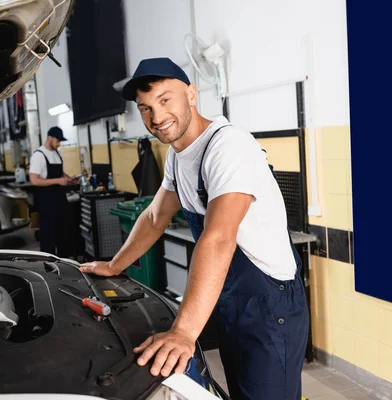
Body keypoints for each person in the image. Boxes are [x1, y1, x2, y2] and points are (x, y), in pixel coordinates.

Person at [79, 57, 309, 400]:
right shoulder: (179, 154)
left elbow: (218, 239)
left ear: (191, 94)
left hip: (269, 306)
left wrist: (183, 332)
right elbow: (155, 217)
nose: (156, 117)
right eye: (145, 108)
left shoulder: (228, 147)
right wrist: (114, 266)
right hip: (233, 300)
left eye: (165, 100)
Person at [29, 126, 73, 256]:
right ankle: (48, 265)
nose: (59, 144)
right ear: (49, 138)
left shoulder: (56, 153)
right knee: (48, 235)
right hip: (46, 201)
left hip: (60, 199)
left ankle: (64, 262)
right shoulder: (38, 155)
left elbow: (60, 173)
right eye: (57, 141)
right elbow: (34, 180)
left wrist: (69, 179)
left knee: (63, 232)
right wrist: (57, 181)